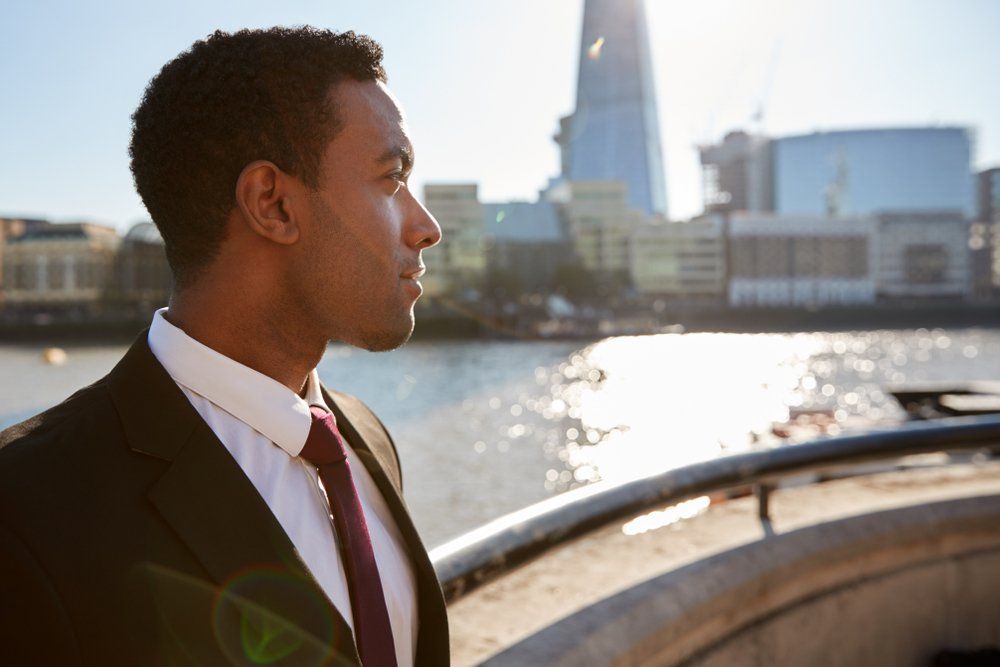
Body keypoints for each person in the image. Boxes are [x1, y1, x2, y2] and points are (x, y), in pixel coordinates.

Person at [0, 27, 448, 667]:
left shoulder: (366, 438)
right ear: (273, 203)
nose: (426, 227)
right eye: (391, 178)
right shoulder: (25, 509)